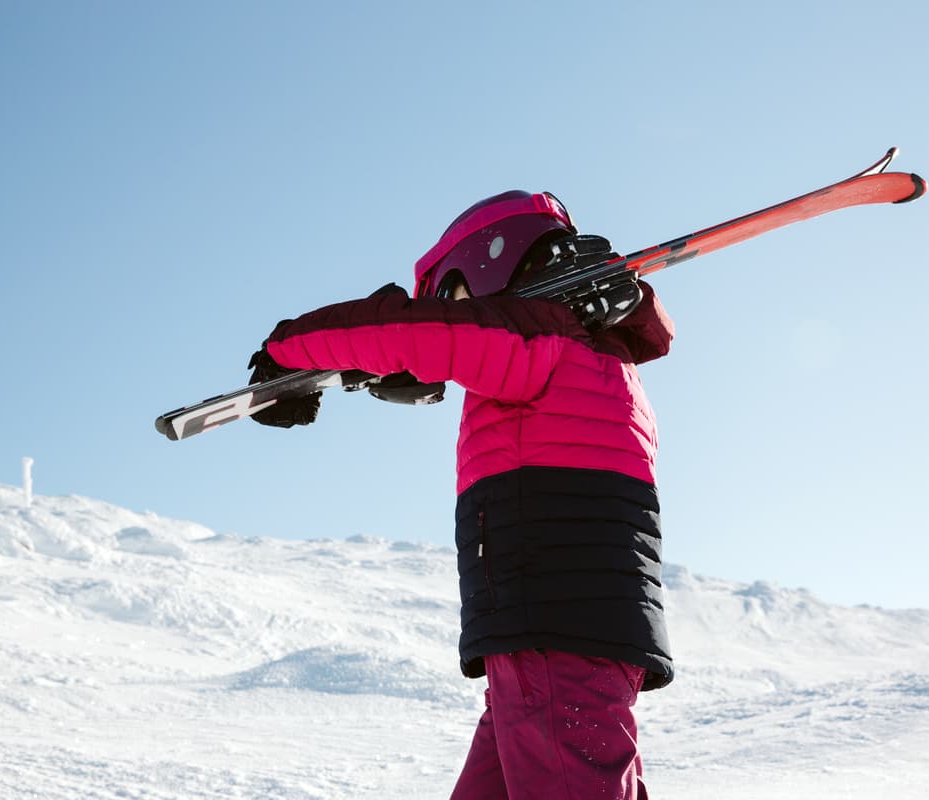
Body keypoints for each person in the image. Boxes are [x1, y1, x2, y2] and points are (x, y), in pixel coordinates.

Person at [246, 190, 675, 799]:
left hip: (553, 634)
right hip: (558, 641)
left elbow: (410, 332)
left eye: (450, 293)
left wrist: (286, 349)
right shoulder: (597, 361)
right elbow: (430, 348)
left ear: (485, 265)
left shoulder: (533, 345)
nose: (453, 311)